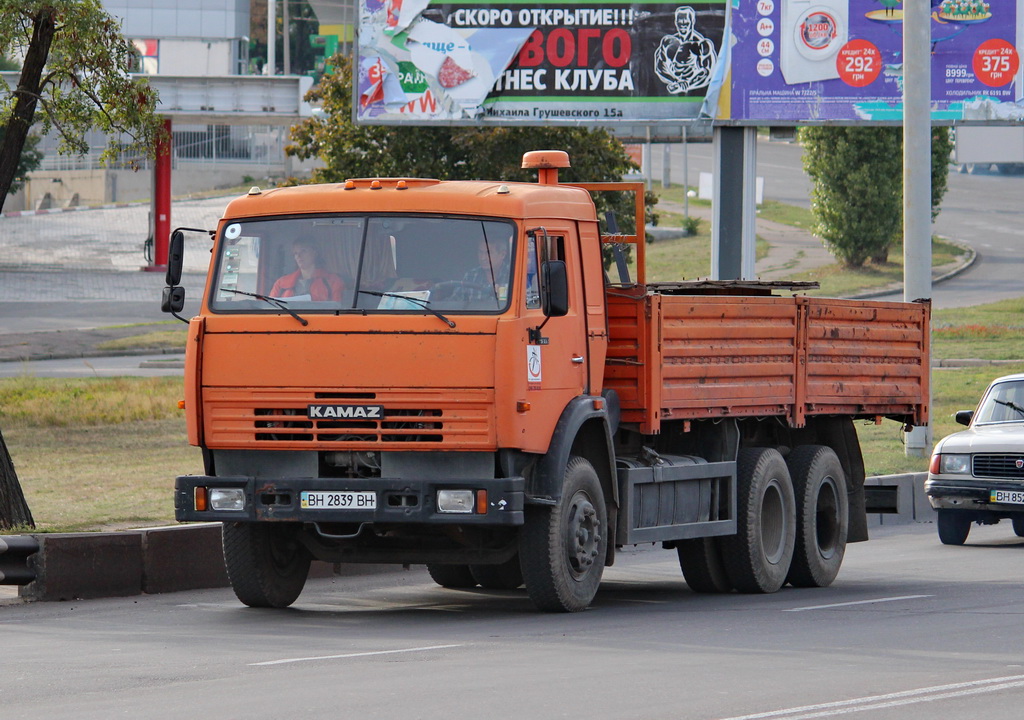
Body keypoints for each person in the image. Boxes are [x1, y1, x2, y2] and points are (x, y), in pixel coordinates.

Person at [654, 5, 717, 94]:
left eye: (686, 22)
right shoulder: (669, 43)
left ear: (692, 22)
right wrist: (675, 81)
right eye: (680, 22)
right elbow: (660, 67)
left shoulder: (701, 45)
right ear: (676, 22)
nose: (683, 25)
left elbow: (707, 72)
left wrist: (687, 84)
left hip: (697, 94)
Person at [270, 238, 344, 301]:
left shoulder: (333, 281)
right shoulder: (281, 283)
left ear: (315, 252)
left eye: (303, 251)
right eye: (295, 253)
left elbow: (338, 312)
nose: (298, 256)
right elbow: (270, 310)